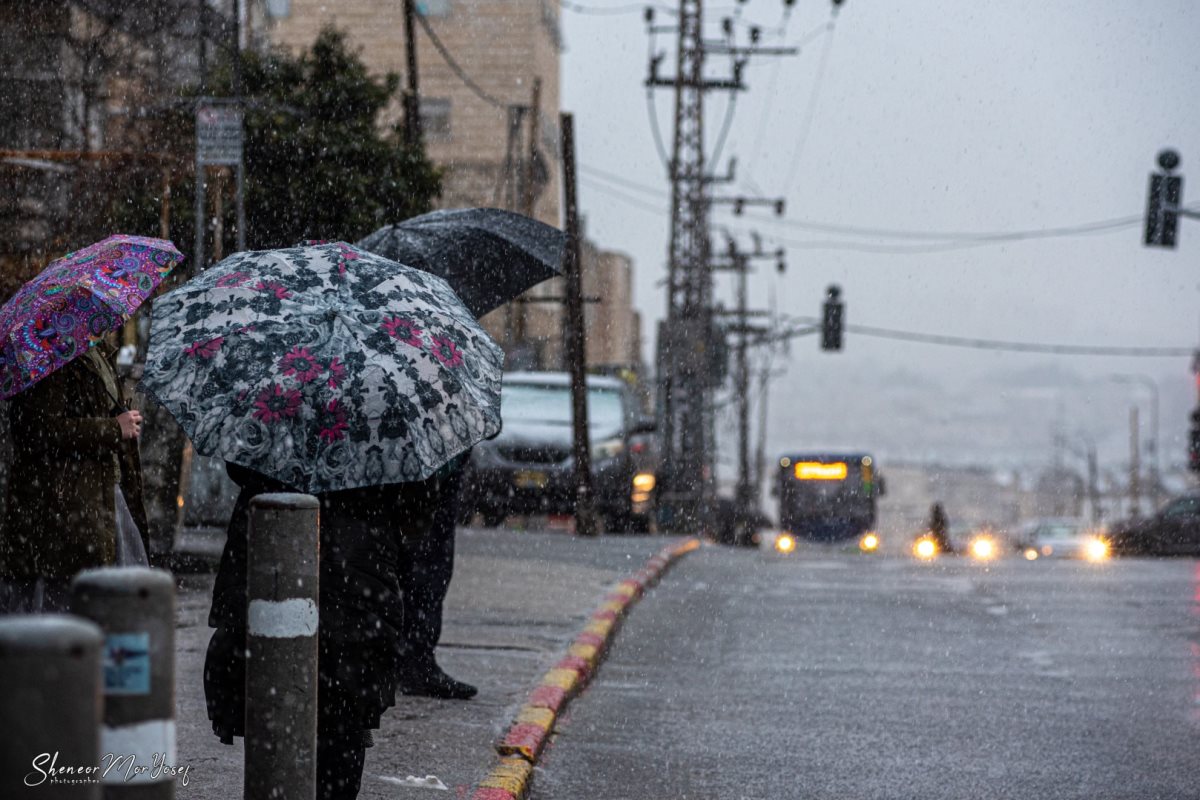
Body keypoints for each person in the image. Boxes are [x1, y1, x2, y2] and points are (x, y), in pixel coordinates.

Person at [204, 463, 445, 800]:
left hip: (273, 578)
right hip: (356, 587)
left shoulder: (274, 417)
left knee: (275, 711)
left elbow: (240, 465)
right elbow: (417, 512)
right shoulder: (381, 430)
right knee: (340, 729)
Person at [1, 340, 148, 613]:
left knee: (114, 599)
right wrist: (112, 428)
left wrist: (118, 415)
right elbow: (40, 430)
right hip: (69, 502)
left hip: (99, 493)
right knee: (71, 605)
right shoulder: (52, 356)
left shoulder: (95, 351)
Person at [394, 453, 477, 700]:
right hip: (426, 465)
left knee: (428, 566)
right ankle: (414, 663)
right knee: (427, 565)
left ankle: (413, 661)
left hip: (434, 463)